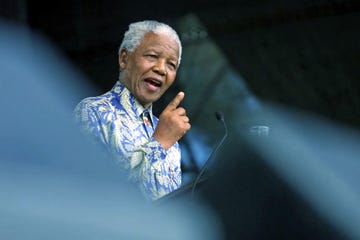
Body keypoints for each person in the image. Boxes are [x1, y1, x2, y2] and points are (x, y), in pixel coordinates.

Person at [73, 20, 191, 200]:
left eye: (171, 64)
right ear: (124, 58)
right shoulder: (92, 112)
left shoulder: (171, 140)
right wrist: (159, 143)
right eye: (152, 56)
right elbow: (95, 190)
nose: (161, 69)